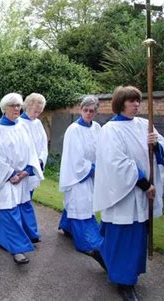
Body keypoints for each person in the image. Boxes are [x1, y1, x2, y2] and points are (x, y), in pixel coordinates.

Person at [93, 86, 164, 301]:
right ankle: (123, 282)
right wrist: (145, 185)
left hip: (141, 194)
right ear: (120, 103)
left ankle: (112, 260)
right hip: (124, 194)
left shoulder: (144, 124)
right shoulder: (110, 130)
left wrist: (156, 146)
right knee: (123, 234)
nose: (136, 104)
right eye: (131, 101)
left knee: (135, 236)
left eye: (137, 101)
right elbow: (117, 163)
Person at [0, 93, 44, 265]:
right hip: (6, 178)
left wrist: (26, 171)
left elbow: (30, 150)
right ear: (5, 108)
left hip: (22, 177)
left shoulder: (22, 126)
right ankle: (18, 250)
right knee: (9, 209)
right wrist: (11, 174)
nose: (17, 109)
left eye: (18, 105)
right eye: (13, 106)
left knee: (22, 205)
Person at [58, 95, 104, 256]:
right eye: (86, 110)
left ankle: (67, 226)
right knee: (81, 203)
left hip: (92, 172)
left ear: (96, 112)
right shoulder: (74, 129)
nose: (88, 113)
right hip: (77, 174)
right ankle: (87, 241)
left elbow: (101, 149)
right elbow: (75, 157)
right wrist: (92, 169)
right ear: (81, 109)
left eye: (92, 111)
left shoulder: (97, 127)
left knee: (83, 201)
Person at [17, 92, 48, 243]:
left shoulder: (38, 123)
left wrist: (40, 161)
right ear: (28, 106)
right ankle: (27, 231)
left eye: (40, 112)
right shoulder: (18, 123)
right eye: (35, 111)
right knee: (21, 200)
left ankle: (28, 231)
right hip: (22, 169)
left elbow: (43, 145)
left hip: (34, 168)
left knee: (28, 197)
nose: (37, 114)